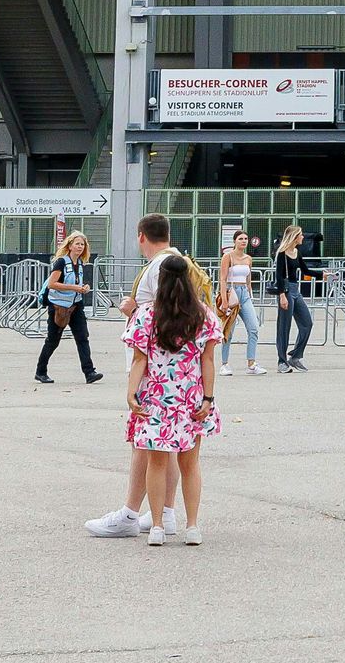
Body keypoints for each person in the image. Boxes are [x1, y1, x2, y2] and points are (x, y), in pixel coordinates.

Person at [87, 216, 196, 536]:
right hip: (182, 375)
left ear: (140, 237)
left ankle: (130, 513)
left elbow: (160, 319)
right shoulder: (180, 262)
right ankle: (166, 512)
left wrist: (131, 311)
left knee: (145, 443)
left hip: (155, 372)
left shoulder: (156, 269)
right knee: (170, 444)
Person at [118, 247, 223, 545]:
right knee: (191, 464)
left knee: (157, 463)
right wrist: (208, 398)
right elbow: (208, 361)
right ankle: (192, 526)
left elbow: (139, 360)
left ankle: (157, 528)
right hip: (191, 398)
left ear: (160, 280)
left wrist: (131, 394)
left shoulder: (147, 315)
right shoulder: (202, 316)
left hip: (155, 397)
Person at [36, 230, 101, 385]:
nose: (80, 247)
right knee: (53, 340)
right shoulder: (61, 262)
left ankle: (89, 372)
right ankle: (41, 371)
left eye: (82, 244)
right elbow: (52, 284)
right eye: (77, 244)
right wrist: (74, 287)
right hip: (59, 306)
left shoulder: (79, 263)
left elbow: (76, 284)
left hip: (76, 305)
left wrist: (83, 288)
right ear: (70, 245)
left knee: (82, 337)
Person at [272, 223, 319, 373]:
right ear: (295, 237)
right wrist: (281, 296)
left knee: (307, 323)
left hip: (295, 289)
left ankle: (296, 356)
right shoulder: (282, 253)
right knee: (284, 327)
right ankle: (282, 361)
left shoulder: (297, 252)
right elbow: (278, 276)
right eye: (301, 235)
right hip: (285, 290)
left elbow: (305, 270)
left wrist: (322, 275)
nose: (303, 237)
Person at [218, 228, 261, 375]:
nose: (243, 241)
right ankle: (224, 363)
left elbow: (248, 279)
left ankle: (251, 362)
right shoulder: (228, 257)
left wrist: (250, 295)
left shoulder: (248, 258)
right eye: (240, 239)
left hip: (244, 293)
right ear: (235, 241)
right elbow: (223, 279)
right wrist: (224, 300)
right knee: (229, 330)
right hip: (232, 292)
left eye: (245, 239)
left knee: (253, 327)